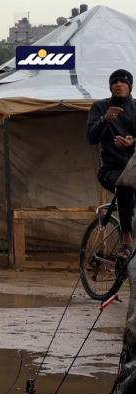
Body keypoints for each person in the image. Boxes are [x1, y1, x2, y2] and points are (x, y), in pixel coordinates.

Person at [87, 69, 136, 258]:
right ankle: (126, 240)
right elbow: (91, 138)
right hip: (111, 169)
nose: (119, 85)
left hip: (134, 168)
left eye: (123, 82)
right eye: (115, 82)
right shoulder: (100, 107)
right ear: (110, 87)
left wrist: (133, 143)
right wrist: (104, 120)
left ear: (130, 86)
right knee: (125, 185)